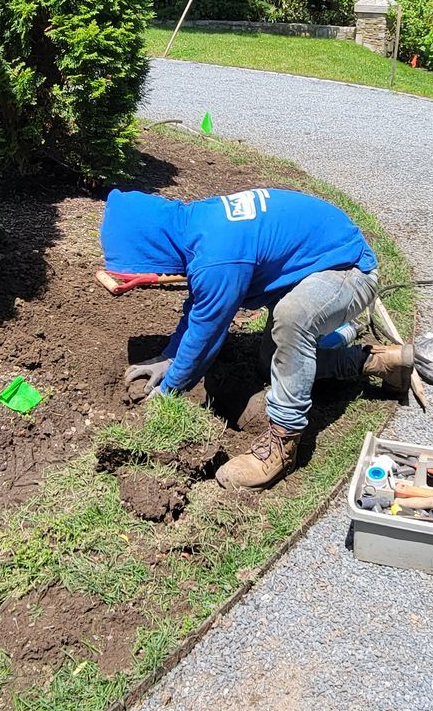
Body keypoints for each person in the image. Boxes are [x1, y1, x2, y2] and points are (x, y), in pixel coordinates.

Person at [98, 187, 413, 488]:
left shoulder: (218, 256)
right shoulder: (196, 228)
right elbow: (199, 305)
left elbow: (207, 334)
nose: (160, 274)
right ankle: (381, 362)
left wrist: (168, 390)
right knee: (273, 364)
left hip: (348, 270)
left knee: (293, 317)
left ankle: (283, 443)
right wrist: (169, 356)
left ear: (152, 245)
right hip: (313, 266)